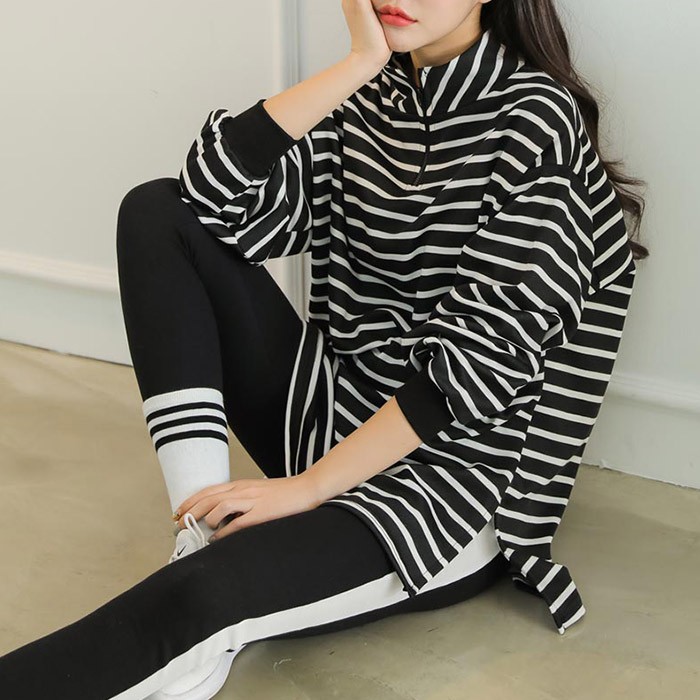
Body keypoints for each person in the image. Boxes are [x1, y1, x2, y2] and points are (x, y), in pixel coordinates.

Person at [0, 1, 649, 698]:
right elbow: (209, 200)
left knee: (200, 599)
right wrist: (359, 63)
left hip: (447, 492)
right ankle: (200, 526)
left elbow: (467, 376)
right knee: (156, 211)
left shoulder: (536, 120)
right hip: (330, 423)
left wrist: (306, 488)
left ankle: (204, 575)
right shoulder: (372, 97)